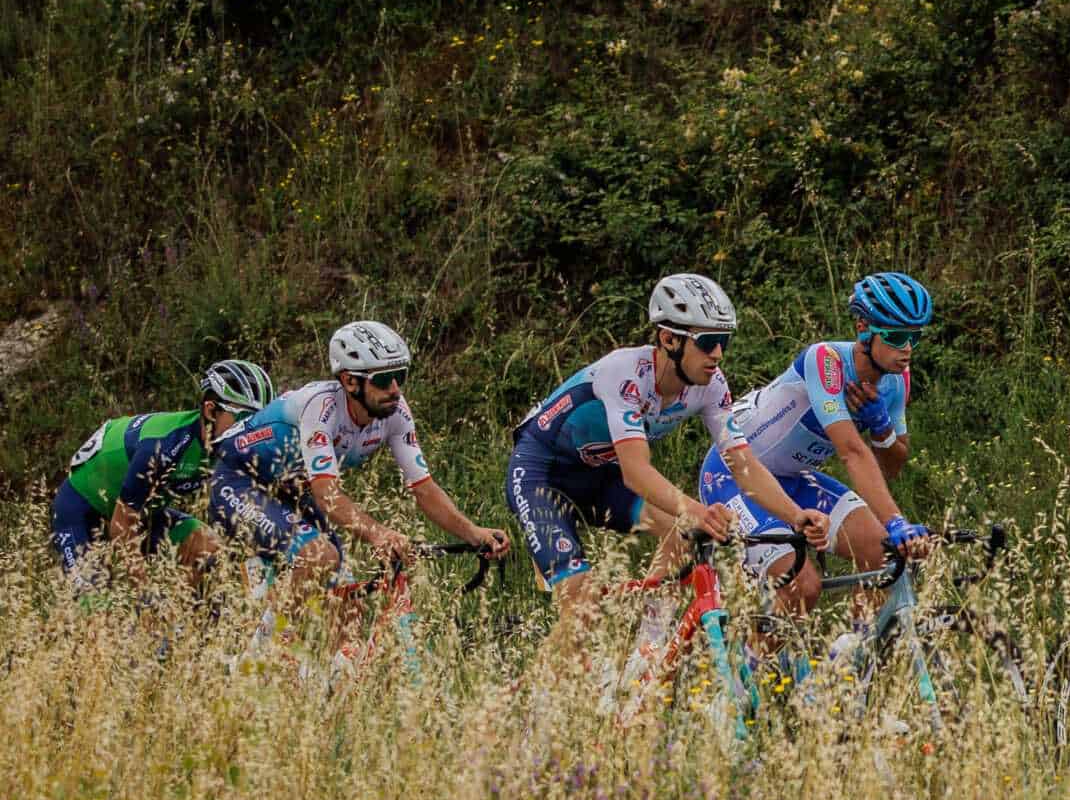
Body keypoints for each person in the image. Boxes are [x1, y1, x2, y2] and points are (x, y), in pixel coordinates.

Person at [504, 272, 826, 639]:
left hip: (598, 475)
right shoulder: (625, 373)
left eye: (724, 341)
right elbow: (636, 472)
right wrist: (700, 511)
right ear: (668, 339)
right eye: (708, 342)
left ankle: (646, 656)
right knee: (581, 603)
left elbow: (744, 465)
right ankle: (547, 679)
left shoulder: (711, 385)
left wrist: (794, 515)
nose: (718, 354)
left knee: (682, 534)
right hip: (541, 474)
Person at [206, 321, 509, 641]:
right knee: (319, 555)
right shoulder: (321, 406)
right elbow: (326, 494)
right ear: (350, 381)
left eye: (401, 376)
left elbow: (423, 488)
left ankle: (333, 670)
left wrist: (474, 533)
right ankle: (260, 654)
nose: (395, 389)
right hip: (237, 480)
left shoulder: (396, 412)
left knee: (348, 604)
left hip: (289, 489)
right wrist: (379, 534)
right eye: (383, 379)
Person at [697, 271, 935, 617]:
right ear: (863, 328)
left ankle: (853, 649)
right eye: (897, 336)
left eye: (915, 337)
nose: (908, 349)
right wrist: (896, 521)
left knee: (882, 555)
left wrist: (881, 426)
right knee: (802, 586)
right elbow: (852, 453)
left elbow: (892, 466)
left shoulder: (897, 381)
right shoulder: (826, 360)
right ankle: (751, 651)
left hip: (793, 479)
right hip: (734, 476)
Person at [52, 359, 272, 591]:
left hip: (144, 513)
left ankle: (181, 612)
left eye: (259, 422)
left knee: (207, 547)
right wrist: (145, 594)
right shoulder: (164, 446)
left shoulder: (233, 448)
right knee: (94, 601)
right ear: (210, 411)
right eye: (243, 419)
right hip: (81, 510)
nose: (251, 431)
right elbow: (121, 525)